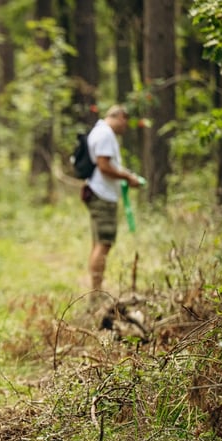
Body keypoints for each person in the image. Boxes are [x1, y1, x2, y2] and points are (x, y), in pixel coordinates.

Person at [81, 104, 142, 298]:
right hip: (103, 195)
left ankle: (95, 290)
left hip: (98, 192)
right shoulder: (106, 134)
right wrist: (127, 177)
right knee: (104, 243)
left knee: (98, 242)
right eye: (126, 121)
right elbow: (104, 166)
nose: (126, 127)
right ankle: (96, 293)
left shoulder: (99, 131)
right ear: (120, 117)